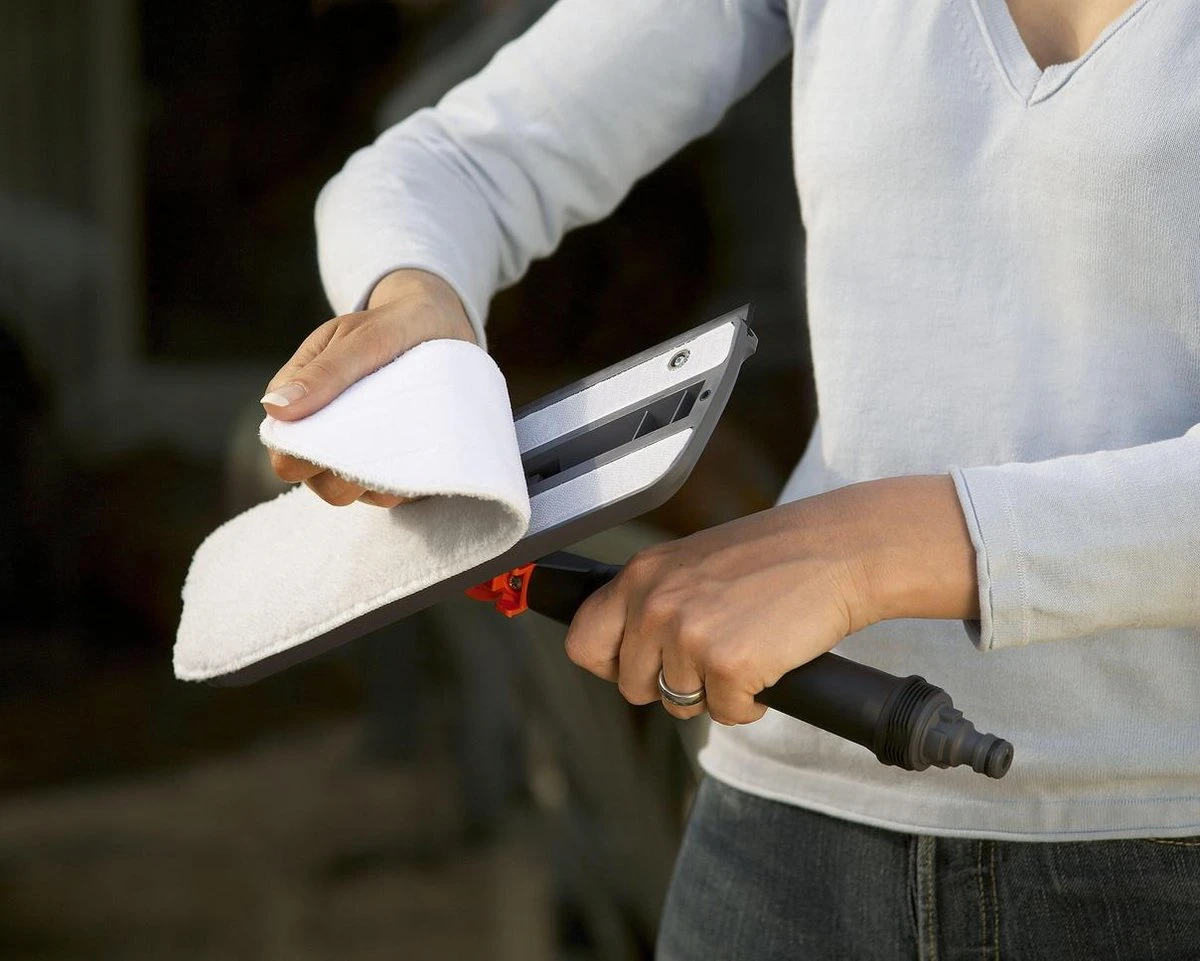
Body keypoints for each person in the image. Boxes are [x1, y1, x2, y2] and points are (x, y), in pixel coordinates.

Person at [260, 1, 1200, 957]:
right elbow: (451, 164)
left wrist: (867, 552)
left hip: (1168, 835)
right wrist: (416, 306)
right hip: (788, 839)